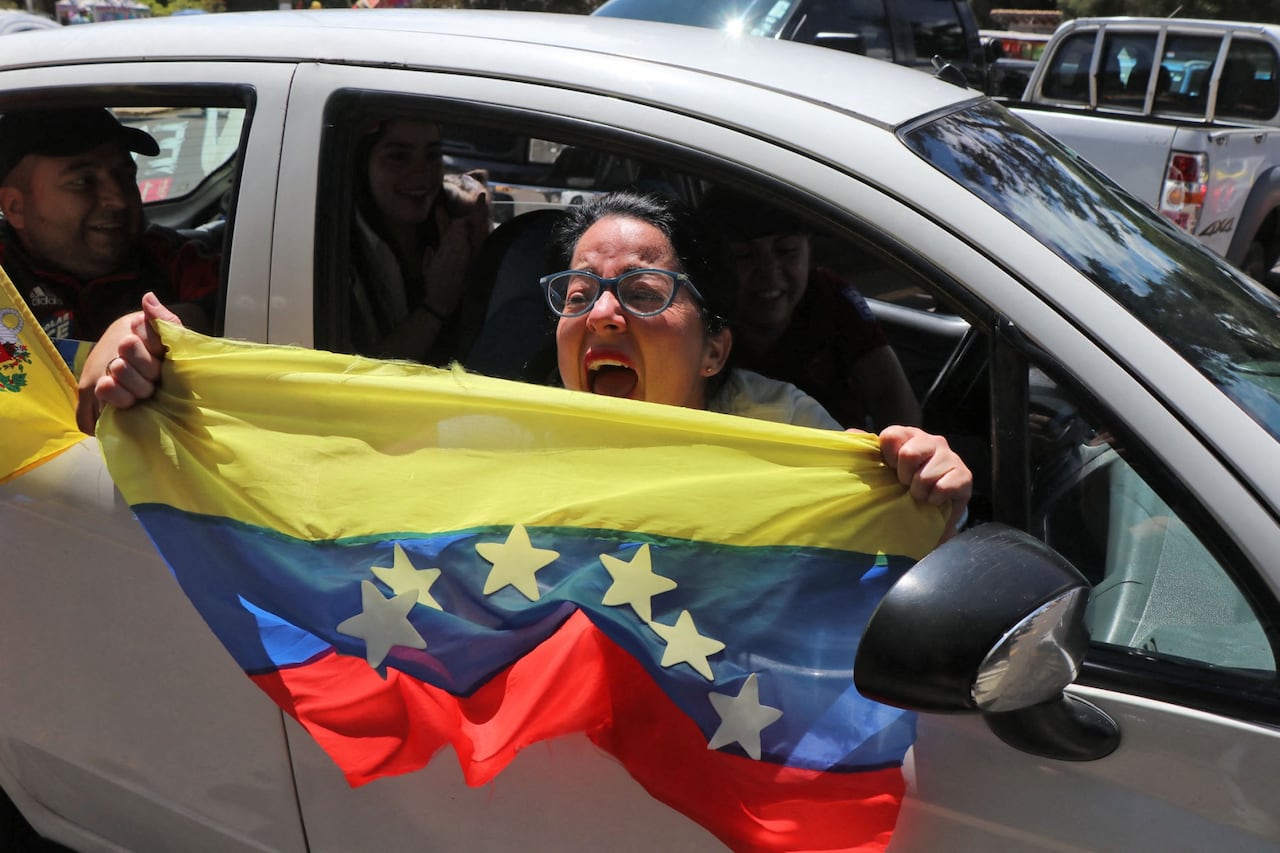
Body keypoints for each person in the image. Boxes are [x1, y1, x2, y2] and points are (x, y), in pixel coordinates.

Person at [97, 191, 971, 539]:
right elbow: (313, 456)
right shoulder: (500, 425)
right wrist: (141, 365)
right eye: (579, 290)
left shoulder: (788, 434)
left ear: (714, 348)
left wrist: (932, 492)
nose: (600, 313)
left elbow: (899, 562)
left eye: (642, 291)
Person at [0, 107, 221, 432]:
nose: (117, 199)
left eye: (125, 176)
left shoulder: (167, 255)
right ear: (15, 208)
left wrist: (148, 328)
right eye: (82, 182)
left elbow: (241, 307)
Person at [698, 187, 922, 431]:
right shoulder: (702, 320)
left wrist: (895, 456)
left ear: (809, 250)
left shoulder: (831, 296)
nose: (769, 272)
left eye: (786, 251)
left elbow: (888, 392)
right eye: (743, 256)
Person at [345, 117, 492, 364]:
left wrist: (483, 260)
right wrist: (435, 305)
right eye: (398, 156)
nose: (422, 172)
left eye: (432, 155)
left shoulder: (455, 226)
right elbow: (364, 378)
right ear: (363, 165)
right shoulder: (337, 251)